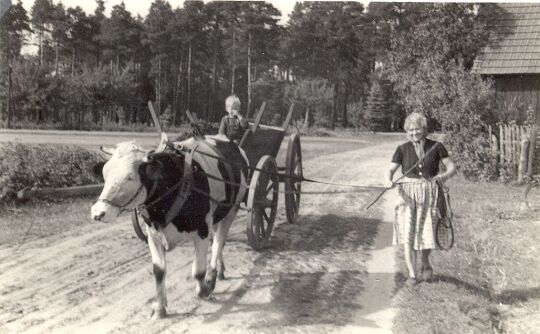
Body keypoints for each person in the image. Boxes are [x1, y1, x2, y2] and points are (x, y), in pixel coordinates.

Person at [384, 112, 456, 287]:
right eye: (410, 130)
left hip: (429, 194)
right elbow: (390, 171)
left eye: (417, 129)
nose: (413, 133)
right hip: (407, 195)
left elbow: (452, 167)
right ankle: (412, 274)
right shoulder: (402, 149)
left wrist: (442, 177)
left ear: (424, 129)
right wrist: (387, 180)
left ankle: (425, 262)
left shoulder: (437, 147)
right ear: (406, 132)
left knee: (426, 231)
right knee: (408, 233)